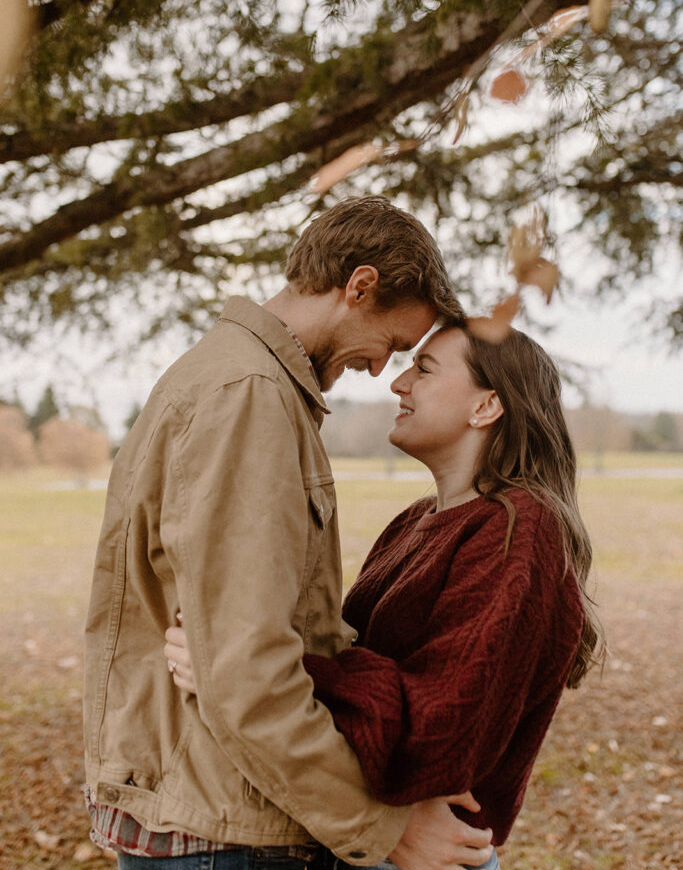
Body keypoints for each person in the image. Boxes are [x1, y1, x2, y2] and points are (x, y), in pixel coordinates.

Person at [83, 197, 495, 870]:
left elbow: (247, 643)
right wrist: (383, 828)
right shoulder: (249, 396)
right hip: (222, 826)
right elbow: (247, 671)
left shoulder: (237, 380)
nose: (376, 370)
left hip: (209, 807)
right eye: (390, 342)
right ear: (358, 286)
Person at [165, 322, 605, 867]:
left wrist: (246, 667)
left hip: (433, 851)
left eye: (423, 369)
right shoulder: (416, 522)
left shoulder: (521, 531)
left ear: (486, 407)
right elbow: (351, 656)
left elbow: (443, 732)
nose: (398, 383)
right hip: (377, 839)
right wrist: (240, 654)